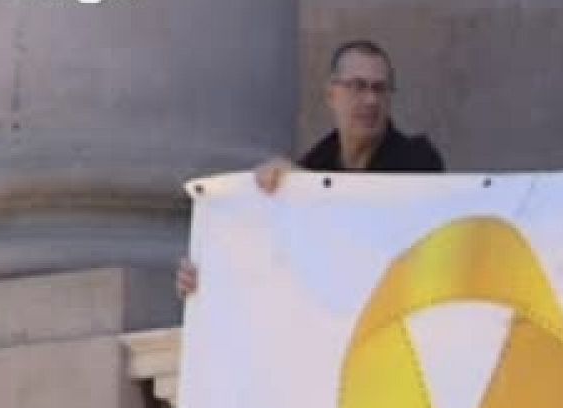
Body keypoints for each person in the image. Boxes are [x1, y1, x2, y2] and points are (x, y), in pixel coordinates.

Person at [176, 39, 444, 297]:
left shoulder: (419, 164)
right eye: (358, 87)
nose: (371, 100)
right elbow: (274, 264)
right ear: (331, 94)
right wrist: (211, 277)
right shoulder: (313, 166)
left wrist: (311, 194)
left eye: (380, 88)